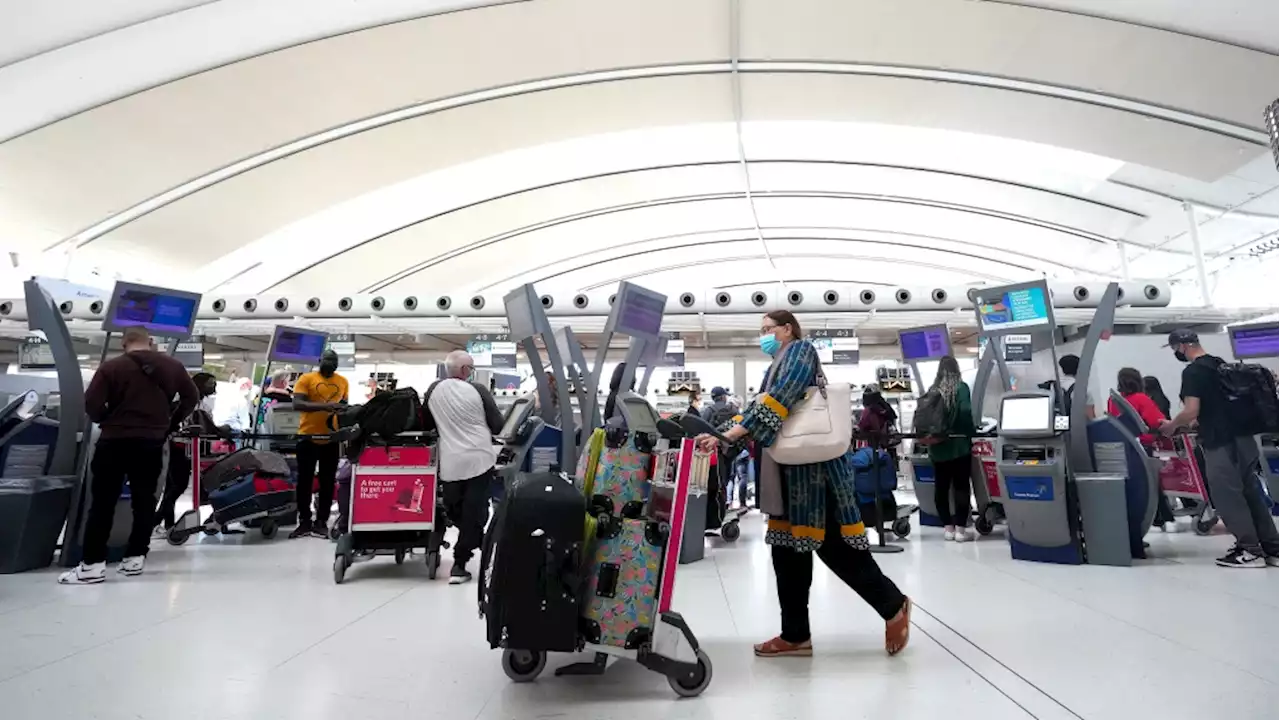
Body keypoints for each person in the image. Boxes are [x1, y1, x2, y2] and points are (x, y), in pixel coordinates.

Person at [695, 310, 910, 658]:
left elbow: (781, 398)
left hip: (813, 476)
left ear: (788, 329)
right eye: (761, 330)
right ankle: (795, 634)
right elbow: (758, 406)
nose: (764, 335)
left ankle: (893, 605)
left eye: (769, 329)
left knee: (835, 549)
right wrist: (721, 435)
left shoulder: (801, 350)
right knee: (787, 554)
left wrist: (732, 433)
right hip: (788, 475)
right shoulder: (776, 361)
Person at [60, 328, 199, 584]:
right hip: (151, 443)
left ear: (124, 343)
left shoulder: (111, 368)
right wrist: (170, 422)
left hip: (114, 442)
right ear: (151, 342)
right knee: (145, 501)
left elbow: (90, 403)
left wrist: (107, 420)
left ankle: (92, 565)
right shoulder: (173, 366)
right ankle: (135, 559)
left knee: (102, 503)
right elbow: (192, 397)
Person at [1160, 329, 1280, 568]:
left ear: (1182, 346)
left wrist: (1171, 426)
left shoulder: (1193, 372)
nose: (1176, 353)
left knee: (1227, 495)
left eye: (1175, 349)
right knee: (1249, 492)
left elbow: (1192, 411)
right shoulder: (1220, 365)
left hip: (1221, 442)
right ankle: (1272, 548)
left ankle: (1249, 550)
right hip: (1244, 438)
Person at [426, 350, 504, 584]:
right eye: (471, 368)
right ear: (464, 371)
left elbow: (428, 423)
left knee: (456, 510)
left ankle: (471, 547)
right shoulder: (478, 390)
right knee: (474, 511)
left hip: (450, 463)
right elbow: (498, 426)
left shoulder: (432, 390)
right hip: (480, 459)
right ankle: (461, 562)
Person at [1108, 368, 1181, 533]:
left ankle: (1145, 523)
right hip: (1144, 447)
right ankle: (1163, 517)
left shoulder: (1113, 400)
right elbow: (1156, 422)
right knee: (1152, 484)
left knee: (1137, 487)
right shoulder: (1142, 398)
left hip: (1125, 447)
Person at [288, 349, 349, 539]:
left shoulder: (343, 381)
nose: (331, 363)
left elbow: (344, 405)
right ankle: (304, 521)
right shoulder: (306, 379)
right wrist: (325, 406)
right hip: (307, 436)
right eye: (327, 360)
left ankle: (321, 521)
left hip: (331, 438)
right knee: (304, 481)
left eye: (334, 361)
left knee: (328, 481)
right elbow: (297, 404)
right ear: (320, 360)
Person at [154, 372, 219, 535]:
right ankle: (156, 521)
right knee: (177, 486)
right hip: (178, 447)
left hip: (186, 447)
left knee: (172, 487)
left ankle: (166, 524)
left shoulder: (200, 402)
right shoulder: (185, 403)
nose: (214, 386)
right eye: (210, 383)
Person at [925, 356, 978, 542]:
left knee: (941, 488)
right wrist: (970, 430)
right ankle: (961, 531)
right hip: (959, 447)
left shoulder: (933, 389)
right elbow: (965, 411)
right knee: (961, 488)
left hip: (938, 448)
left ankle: (947, 528)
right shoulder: (961, 388)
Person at [1058, 354, 1098, 420]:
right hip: (1077, 428)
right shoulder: (1083, 390)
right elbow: (1090, 417)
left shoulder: (1052, 386)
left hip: (1058, 427)